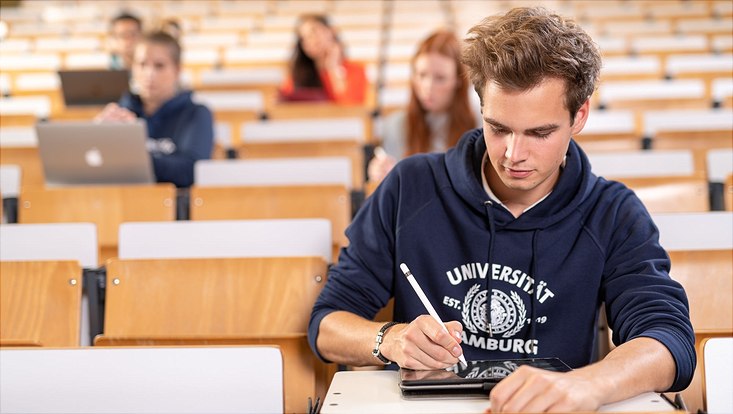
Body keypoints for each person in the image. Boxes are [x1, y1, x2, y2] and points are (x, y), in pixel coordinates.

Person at [308, 7, 695, 413]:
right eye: (498, 127)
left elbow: (668, 339)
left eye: (539, 133)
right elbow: (327, 324)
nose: (514, 155)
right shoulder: (410, 186)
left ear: (579, 115)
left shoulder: (612, 213)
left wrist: (589, 384)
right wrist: (388, 339)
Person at [95, 31, 213, 188]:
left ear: (177, 70)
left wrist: (129, 158)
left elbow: (190, 171)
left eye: (159, 66)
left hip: (171, 208)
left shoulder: (196, 114)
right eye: (142, 64)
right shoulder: (120, 111)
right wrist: (97, 137)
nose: (149, 74)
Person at [368, 31, 478, 183]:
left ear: (458, 81)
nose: (428, 87)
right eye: (422, 75)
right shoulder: (395, 125)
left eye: (440, 78)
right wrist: (381, 175)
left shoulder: (480, 125)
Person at [279, 14, 368, 105]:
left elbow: (351, 107)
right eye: (303, 38)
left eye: (314, 32)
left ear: (332, 30)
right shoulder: (298, 74)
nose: (309, 41)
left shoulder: (356, 69)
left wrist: (333, 67)